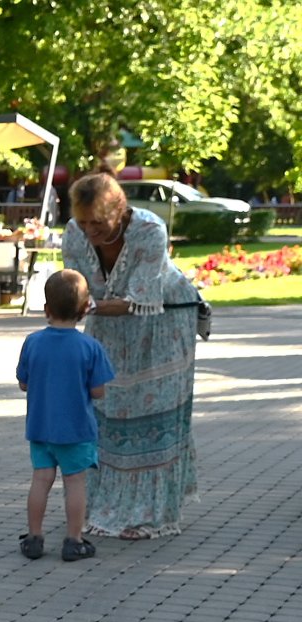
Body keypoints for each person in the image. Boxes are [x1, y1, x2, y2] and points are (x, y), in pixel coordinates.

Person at [62, 172, 201, 539]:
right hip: (106, 325)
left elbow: (138, 300)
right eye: (83, 221)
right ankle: (104, 505)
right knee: (106, 410)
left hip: (163, 322)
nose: (89, 230)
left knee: (149, 412)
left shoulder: (149, 230)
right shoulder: (74, 232)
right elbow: (77, 286)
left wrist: (81, 307)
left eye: (99, 222)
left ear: (119, 211)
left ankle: (149, 514)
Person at [18, 269, 115, 562]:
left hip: (40, 427)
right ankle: (73, 540)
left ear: (46, 309)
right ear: (85, 309)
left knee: (40, 480)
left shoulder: (33, 342)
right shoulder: (90, 347)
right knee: (75, 483)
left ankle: (34, 537)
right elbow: (98, 391)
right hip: (76, 429)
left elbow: (24, 383)